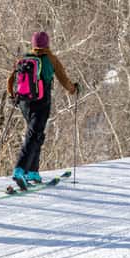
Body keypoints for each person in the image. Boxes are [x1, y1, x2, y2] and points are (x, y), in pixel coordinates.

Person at [7, 31, 78, 188]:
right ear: (47, 44)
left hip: (24, 101)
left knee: (36, 134)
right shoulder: (51, 59)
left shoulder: (24, 59)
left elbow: (11, 79)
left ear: (33, 44)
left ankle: (33, 171)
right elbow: (63, 79)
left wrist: (12, 96)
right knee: (33, 135)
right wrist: (73, 89)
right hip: (41, 100)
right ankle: (20, 170)